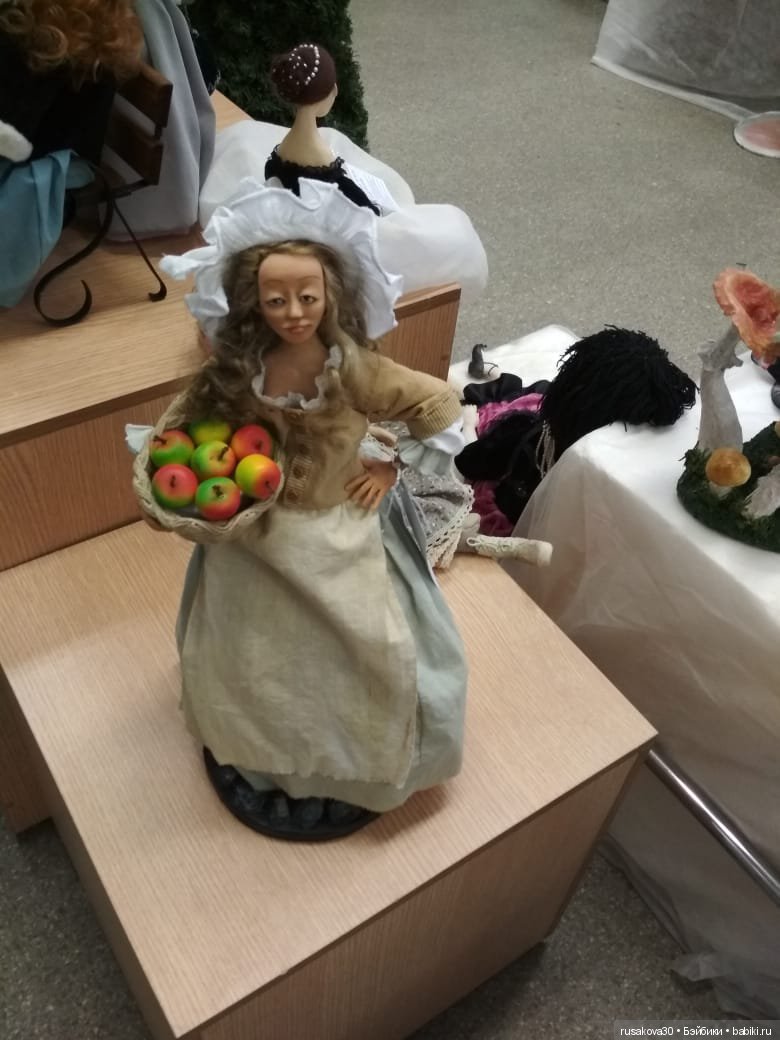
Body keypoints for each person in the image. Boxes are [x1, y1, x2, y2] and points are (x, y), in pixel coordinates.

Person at [154, 179, 469, 841]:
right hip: (253, 532)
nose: (294, 312)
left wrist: (390, 467)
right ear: (253, 302)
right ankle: (260, 762)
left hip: (336, 532)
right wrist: (186, 471)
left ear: (331, 295)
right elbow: (196, 423)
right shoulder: (240, 368)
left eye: (308, 296)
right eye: (276, 300)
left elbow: (436, 403)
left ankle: (351, 774)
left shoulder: (350, 366)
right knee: (246, 653)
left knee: (369, 649)